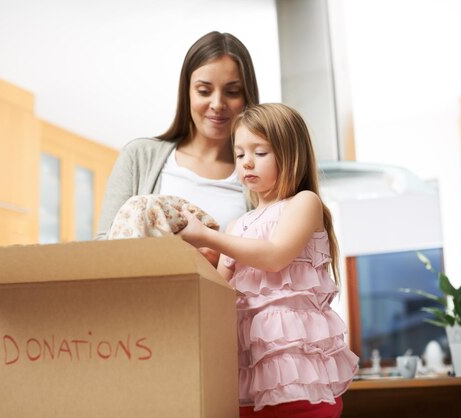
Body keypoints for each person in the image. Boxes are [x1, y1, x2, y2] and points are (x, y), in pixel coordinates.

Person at [178, 103, 359, 418]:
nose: (247, 162)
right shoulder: (238, 226)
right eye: (239, 154)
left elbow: (275, 257)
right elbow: (220, 294)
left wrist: (210, 239)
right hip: (250, 382)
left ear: (290, 154)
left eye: (260, 152)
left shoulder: (304, 204)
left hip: (301, 378)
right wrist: (196, 255)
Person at [97, 31, 260, 266]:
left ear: (247, 97)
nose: (217, 104)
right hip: (150, 301)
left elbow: (271, 268)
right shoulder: (139, 156)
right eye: (204, 91)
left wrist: (221, 261)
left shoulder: (259, 173)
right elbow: (105, 245)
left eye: (232, 92)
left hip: (224, 303)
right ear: (187, 93)